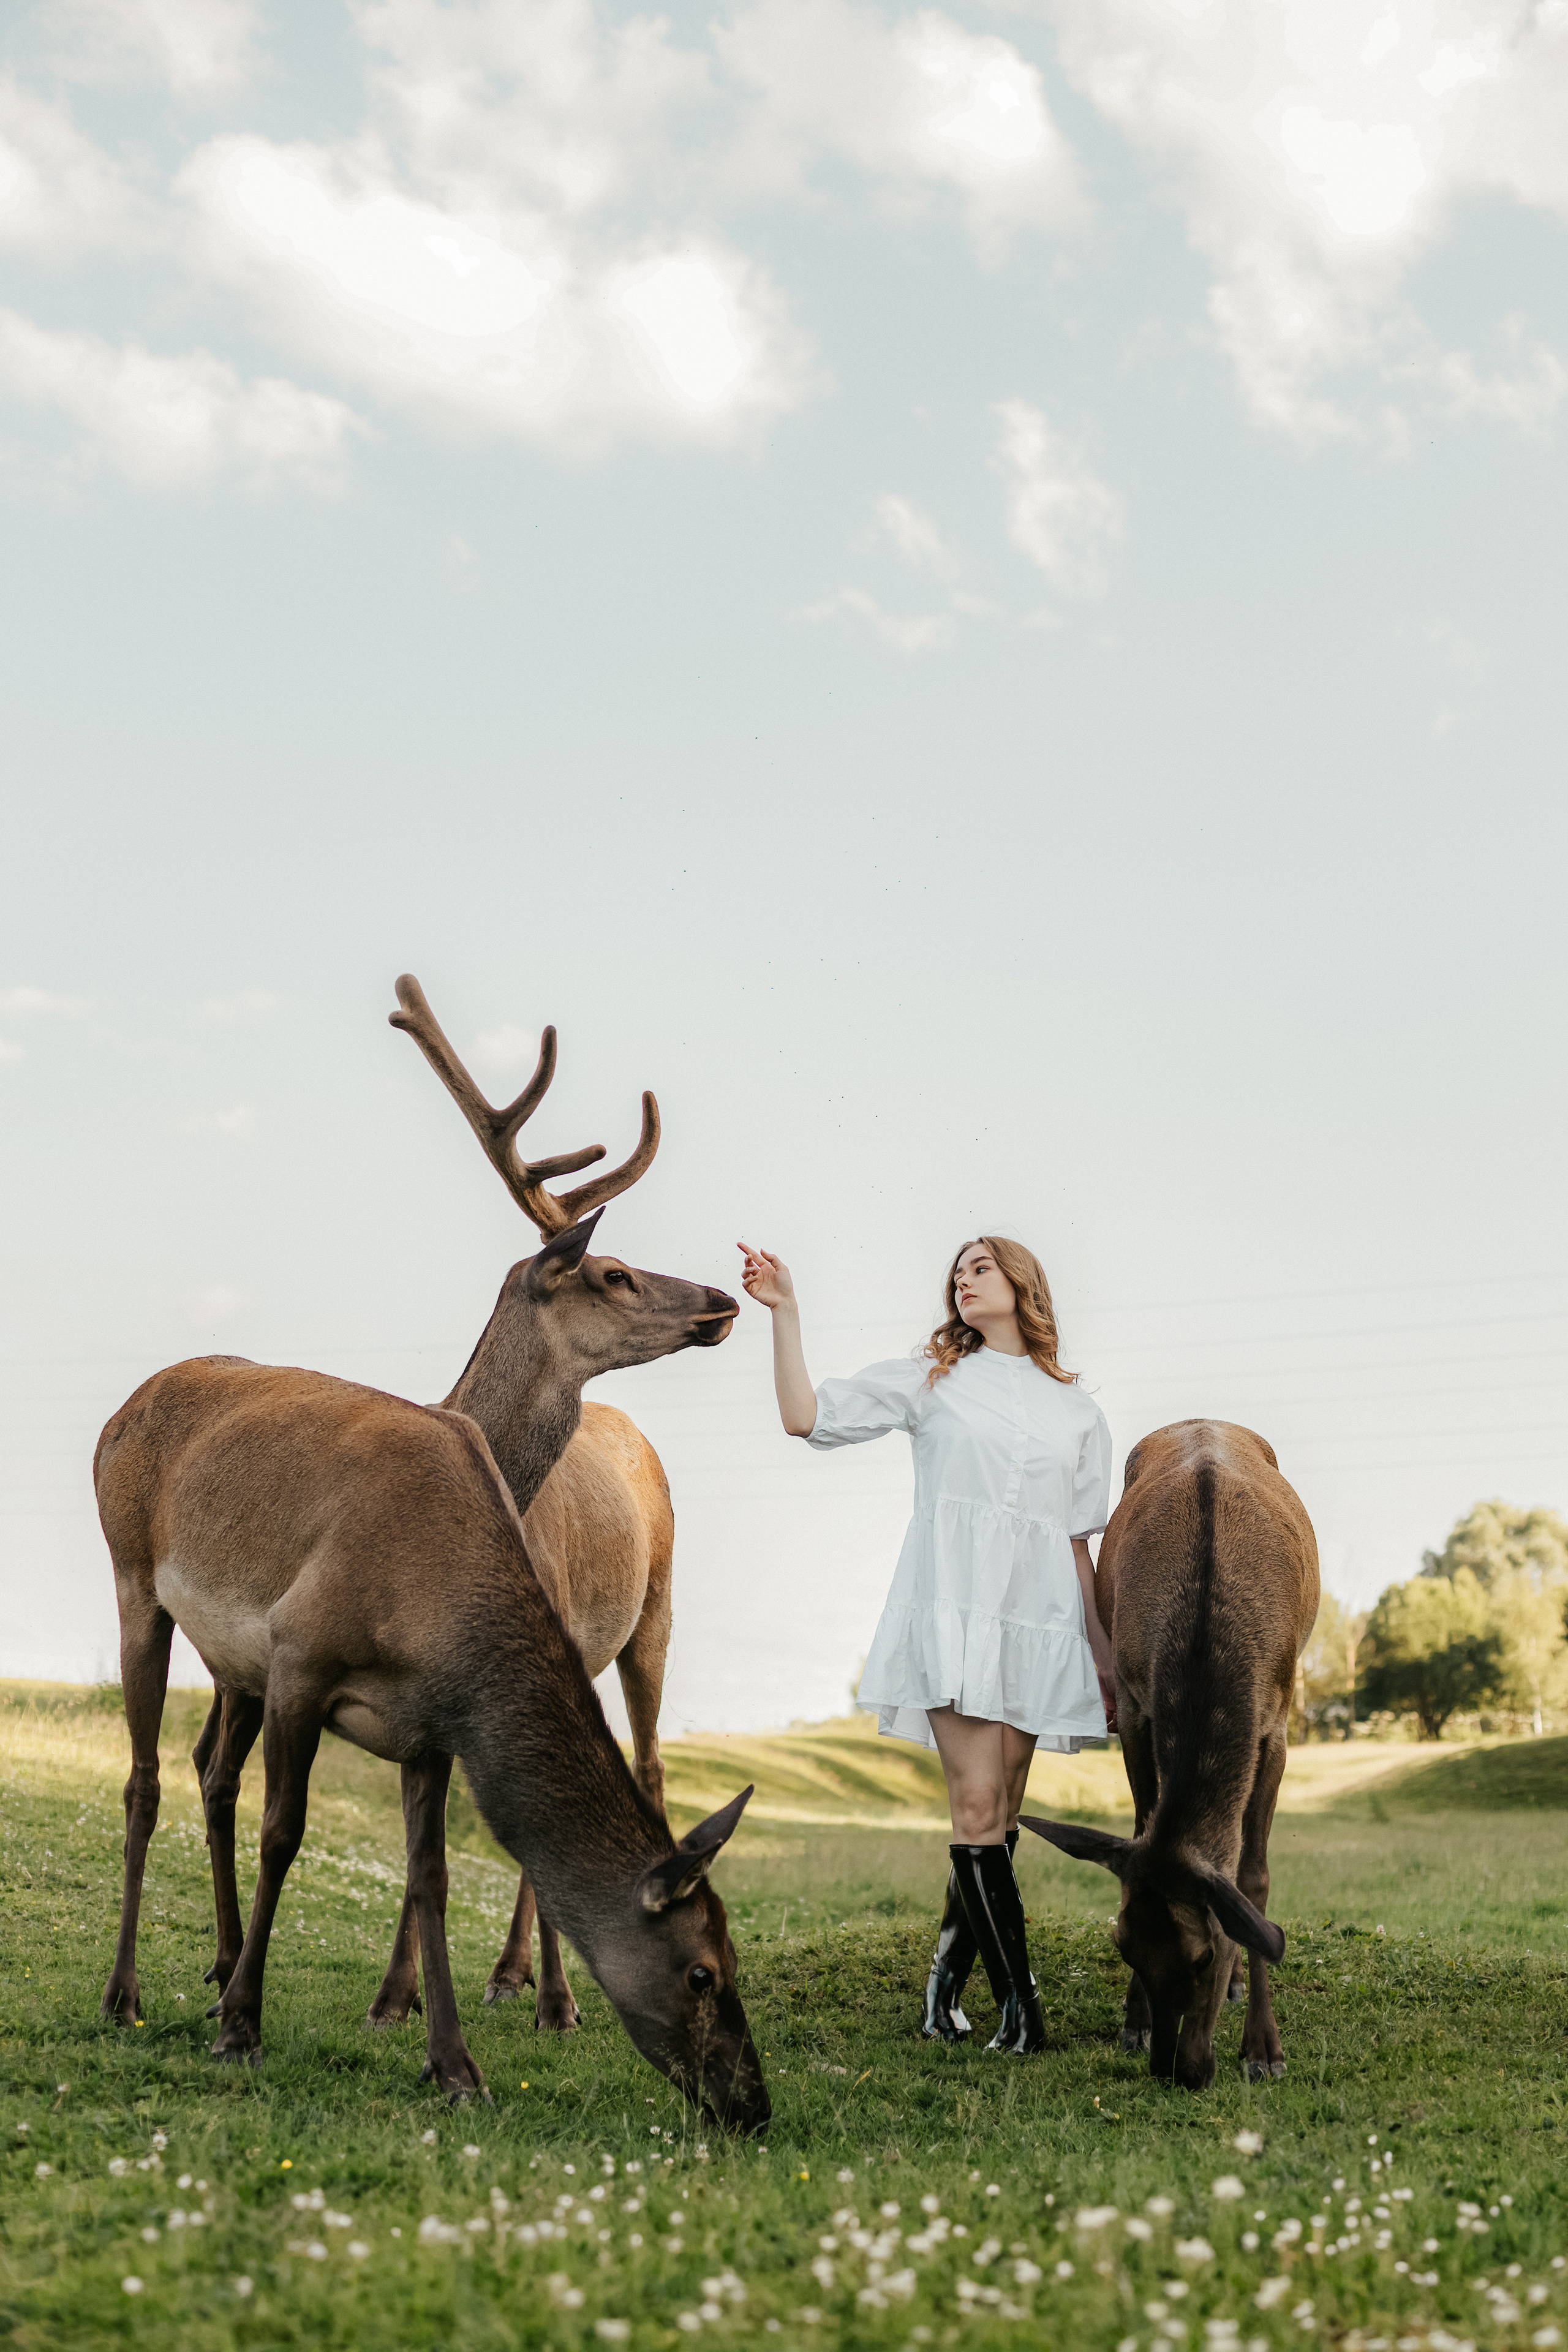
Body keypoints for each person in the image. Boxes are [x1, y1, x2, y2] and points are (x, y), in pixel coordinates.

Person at [737, 1234, 1117, 2057]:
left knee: (1001, 1813)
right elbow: (806, 1417)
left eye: (979, 1268)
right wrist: (786, 1312)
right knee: (977, 1806)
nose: (963, 1281)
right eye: (956, 1274)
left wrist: (1105, 1653)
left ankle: (944, 1988)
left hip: (1039, 1624)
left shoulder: (1078, 1411)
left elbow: (1078, 1544)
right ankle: (1023, 2012)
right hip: (952, 1610)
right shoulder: (931, 1378)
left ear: (1022, 1284)